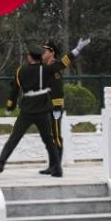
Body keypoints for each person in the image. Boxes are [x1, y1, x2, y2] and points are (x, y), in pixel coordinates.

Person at [0, 46, 61, 176]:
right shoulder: (46, 69)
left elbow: (14, 91)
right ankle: (58, 168)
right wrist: (74, 52)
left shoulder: (21, 70)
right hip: (42, 109)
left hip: (27, 110)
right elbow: (61, 66)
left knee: (14, 139)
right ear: (39, 57)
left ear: (30, 57)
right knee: (48, 140)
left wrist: (10, 107)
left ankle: (0, 165)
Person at [39, 37, 91, 175]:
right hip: (47, 106)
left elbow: (65, 61)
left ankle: (58, 168)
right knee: (50, 137)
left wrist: (77, 49)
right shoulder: (46, 66)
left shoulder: (56, 65)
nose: (43, 53)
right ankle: (52, 166)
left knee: (56, 136)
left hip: (55, 107)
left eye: (46, 51)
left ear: (52, 52)